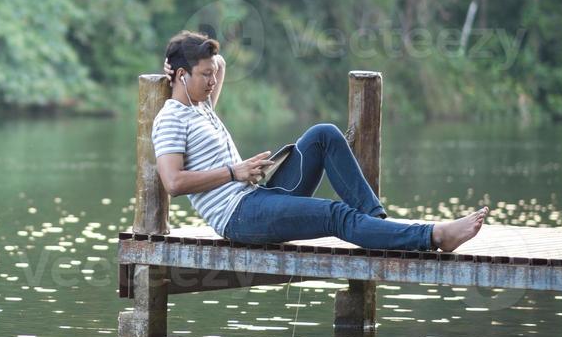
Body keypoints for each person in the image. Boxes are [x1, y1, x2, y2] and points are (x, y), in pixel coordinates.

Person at [151, 30, 489, 252]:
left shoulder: (202, 104)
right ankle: (434, 236)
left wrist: (186, 57)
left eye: (212, 74)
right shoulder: (171, 119)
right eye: (205, 75)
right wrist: (233, 172)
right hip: (239, 217)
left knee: (324, 135)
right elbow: (173, 182)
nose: (213, 80)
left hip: (257, 197)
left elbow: (220, 63)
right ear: (183, 76)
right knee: (335, 214)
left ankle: (376, 224)